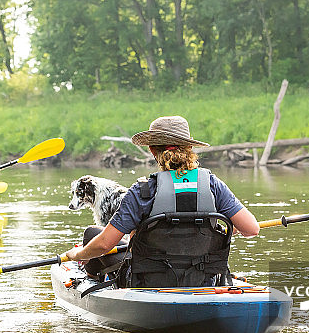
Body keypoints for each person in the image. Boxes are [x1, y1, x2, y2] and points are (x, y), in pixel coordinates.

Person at [64, 115, 260, 288]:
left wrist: (78, 255)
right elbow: (252, 229)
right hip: (203, 281)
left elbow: (104, 245)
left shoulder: (142, 191)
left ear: (151, 150)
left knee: (92, 234)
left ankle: (89, 277)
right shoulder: (212, 185)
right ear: (190, 148)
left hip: (147, 283)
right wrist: (224, 228)